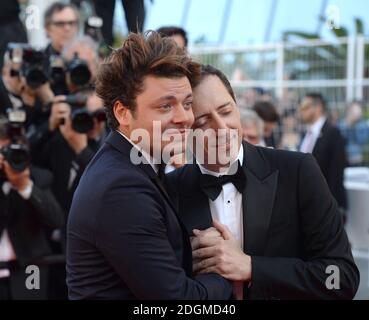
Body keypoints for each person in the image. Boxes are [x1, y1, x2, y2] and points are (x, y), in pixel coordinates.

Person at [166, 65, 359, 300]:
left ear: (237, 107)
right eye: (203, 121)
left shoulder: (297, 171)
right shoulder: (169, 190)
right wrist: (186, 263)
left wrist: (251, 268)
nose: (222, 128)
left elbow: (342, 278)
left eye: (225, 111)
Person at [66, 32, 232, 299]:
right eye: (165, 106)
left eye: (187, 104)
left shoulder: (130, 166)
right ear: (123, 113)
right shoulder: (121, 188)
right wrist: (222, 267)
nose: (184, 118)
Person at [0, 116, 64, 299]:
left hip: (29, 269)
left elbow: (56, 219)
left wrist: (24, 186)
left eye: (9, 153)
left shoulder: (39, 178)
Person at [299, 93, 347, 214]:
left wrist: (332, 206)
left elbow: (336, 172)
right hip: (307, 202)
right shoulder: (307, 134)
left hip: (326, 204)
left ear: (318, 107)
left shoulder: (332, 133)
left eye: (305, 106)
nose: (301, 110)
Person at [337, 101, 369, 166]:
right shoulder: (341, 124)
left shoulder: (363, 125)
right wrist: (349, 124)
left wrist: (354, 126)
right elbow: (340, 140)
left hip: (358, 158)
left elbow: (362, 142)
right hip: (343, 157)